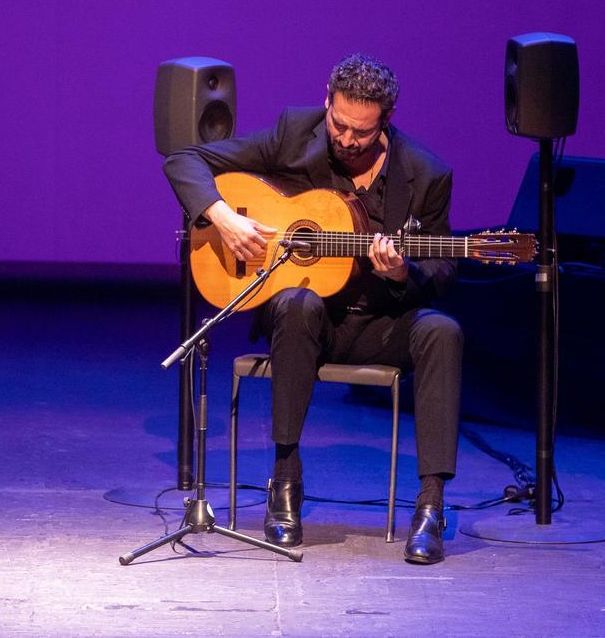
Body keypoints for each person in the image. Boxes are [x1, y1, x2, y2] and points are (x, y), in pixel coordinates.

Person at [164, 54, 462, 564]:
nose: (346, 140)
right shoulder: (294, 133)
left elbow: (442, 272)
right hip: (306, 322)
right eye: (339, 124)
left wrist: (400, 273)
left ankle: (431, 506)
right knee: (299, 303)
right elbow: (184, 161)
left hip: (381, 323)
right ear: (327, 102)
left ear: (385, 122)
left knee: (442, 331)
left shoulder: (427, 174)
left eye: (361, 133)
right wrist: (222, 218)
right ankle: (285, 482)